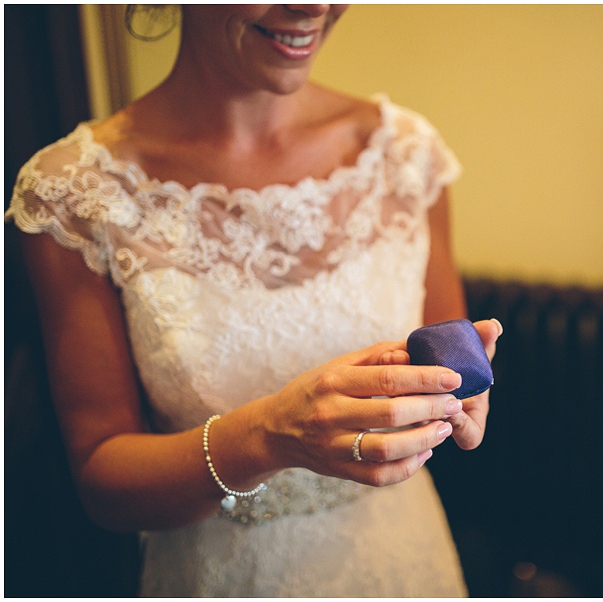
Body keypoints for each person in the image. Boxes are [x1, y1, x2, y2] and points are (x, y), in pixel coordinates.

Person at [6, 4, 501, 597]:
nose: (313, 6)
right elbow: (102, 482)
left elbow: (451, 357)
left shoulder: (404, 153)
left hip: (401, 558)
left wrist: (456, 403)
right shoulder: (73, 193)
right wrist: (267, 436)